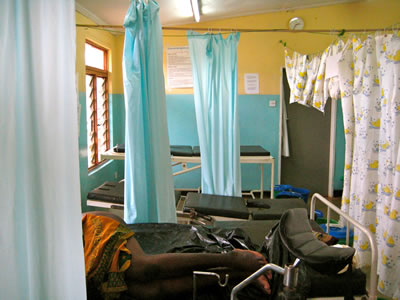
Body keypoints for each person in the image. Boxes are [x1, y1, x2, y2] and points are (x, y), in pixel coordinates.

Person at [82, 211, 272, 300]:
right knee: (146, 292)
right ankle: (236, 274)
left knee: (142, 269)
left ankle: (232, 258)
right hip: (89, 272)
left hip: (90, 233)